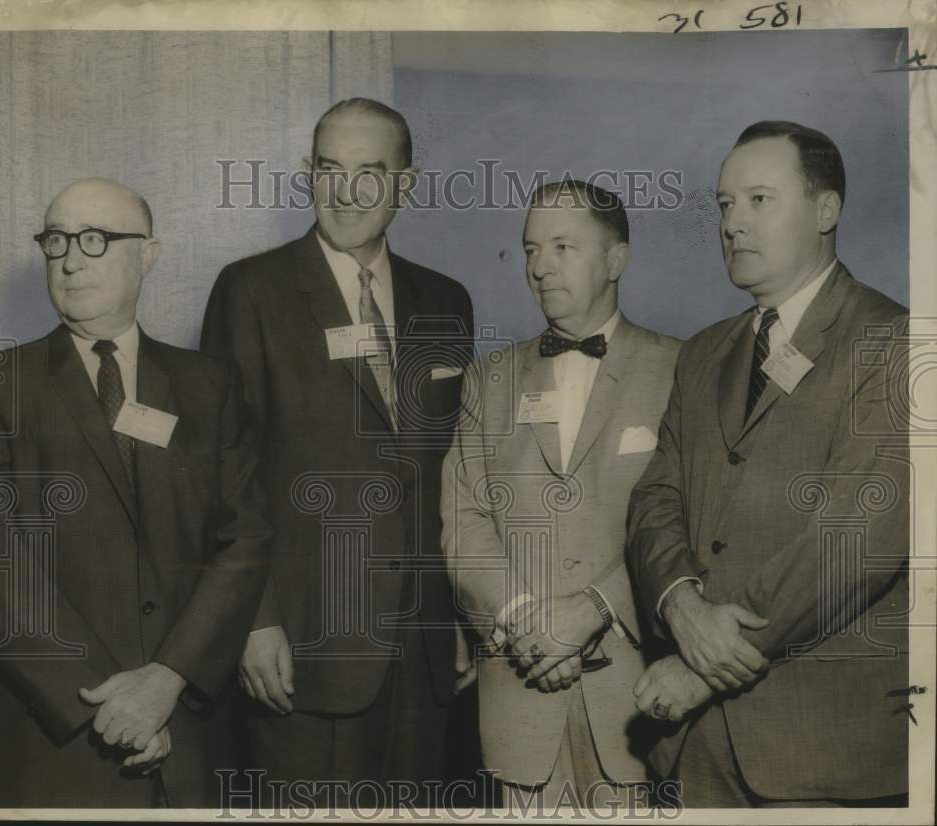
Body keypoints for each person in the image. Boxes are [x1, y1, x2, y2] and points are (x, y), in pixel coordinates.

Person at [0, 177, 275, 807]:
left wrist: (166, 681)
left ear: (148, 254)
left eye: (95, 240)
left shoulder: (209, 386)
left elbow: (244, 539)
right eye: (56, 241)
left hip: (186, 737)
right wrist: (114, 706)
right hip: (51, 743)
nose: (71, 260)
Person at [626, 121, 910, 807]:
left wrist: (705, 663)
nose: (733, 223)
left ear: (825, 210)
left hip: (823, 749)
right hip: (697, 751)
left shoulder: (897, 342)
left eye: (759, 199)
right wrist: (679, 604)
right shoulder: (703, 353)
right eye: (725, 204)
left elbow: (856, 540)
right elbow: (654, 500)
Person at [201, 98, 475, 804]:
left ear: (406, 185)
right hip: (303, 649)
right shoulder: (250, 291)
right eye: (329, 170)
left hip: (422, 652)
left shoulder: (447, 300)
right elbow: (224, 474)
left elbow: (455, 475)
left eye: (370, 173)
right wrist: (254, 621)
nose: (346, 192)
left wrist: (459, 617)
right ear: (307, 174)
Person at [440, 180, 680, 808]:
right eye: (529, 250)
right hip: (520, 699)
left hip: (642, 701)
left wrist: (595, 609)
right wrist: (526, 624)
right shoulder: (486, 380)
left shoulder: (682, 368)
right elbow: (463, 525)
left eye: (563, 247)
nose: (539, 267)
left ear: (617, 259)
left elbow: (692, 524)